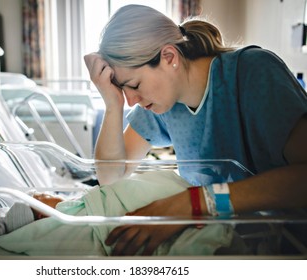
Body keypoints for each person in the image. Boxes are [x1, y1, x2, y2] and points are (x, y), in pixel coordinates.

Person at [84, 4, 307, 255]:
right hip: (234, 243)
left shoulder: (253, 72)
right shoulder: (163, 104)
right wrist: (112, 104)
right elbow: (111, 177)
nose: (132, 101)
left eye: (134, 85)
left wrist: (193, 203)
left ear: (169, 57)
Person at [0, 171, 242, 256]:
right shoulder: (64, 214)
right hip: (116, 218)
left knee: (153, 190)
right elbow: (106, 199)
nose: (43, 194)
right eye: (38, 199)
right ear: (43, 215)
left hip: (215, 199)